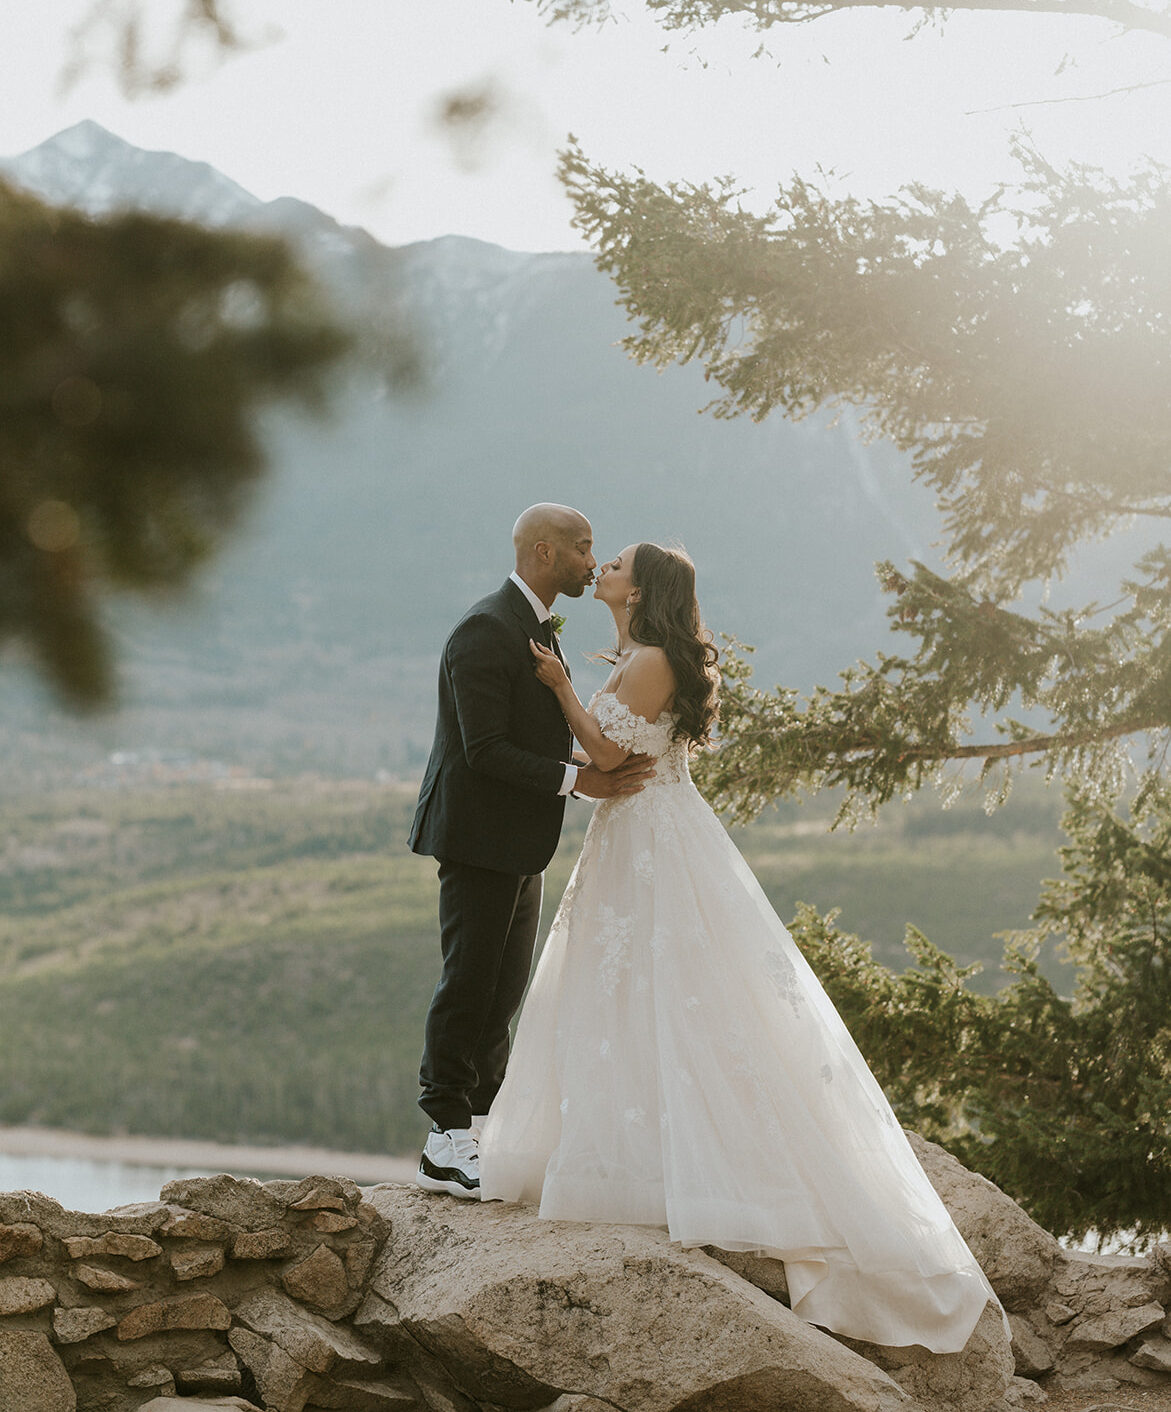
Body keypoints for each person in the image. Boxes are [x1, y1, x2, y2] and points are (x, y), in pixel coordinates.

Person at [478, 541, 1004, 1355]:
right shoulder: (635, 654)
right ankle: (635, 1154)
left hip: (651, 841)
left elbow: (611, 757)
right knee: (626, 991)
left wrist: (560, 693)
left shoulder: (650, 659)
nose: (602, 568)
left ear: (641, 586)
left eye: (614, 562)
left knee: (675, 989)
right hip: (632, 836)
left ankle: (701, 1171)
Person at [408, 504, 652, 1201]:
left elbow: (526, 735)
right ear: (544, 553)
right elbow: (482, 750)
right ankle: (442, 1137)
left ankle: (483, 1132)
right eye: (582, 549)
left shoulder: (531, 626)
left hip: (518, 840)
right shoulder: (486, 629)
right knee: (467, 983)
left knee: (501, 990)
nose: (590, 561)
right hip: (477, 838)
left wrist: (578, 763)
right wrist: (582, 780)